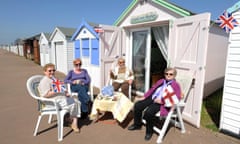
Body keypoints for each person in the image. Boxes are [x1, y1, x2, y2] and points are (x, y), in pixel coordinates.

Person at [128, 67, 181, 141]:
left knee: (149, 112)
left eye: (171, 74)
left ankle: (149, 131)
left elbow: (176, 98)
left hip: (161, 103)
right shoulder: (161, 81)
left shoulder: (176, 85)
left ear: (174, 76)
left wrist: (162, 101)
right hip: (153, 98)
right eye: (166, 74)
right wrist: (144, 96)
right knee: (138, 105)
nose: (168, 75)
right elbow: (153, 89)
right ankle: (137, 125)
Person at [38, 63, 80, 132]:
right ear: (45, 72)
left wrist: (65, 93)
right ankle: (73, 122)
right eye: (49, 71)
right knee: (74, 103)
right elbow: (45, 95)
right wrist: (56, 90)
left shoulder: (54, 79)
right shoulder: (44, 81)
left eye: (53, 70)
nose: (52, 72)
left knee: (77, 101)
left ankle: (70, 119)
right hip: (52, 101)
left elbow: (61, 88)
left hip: (60, 98)